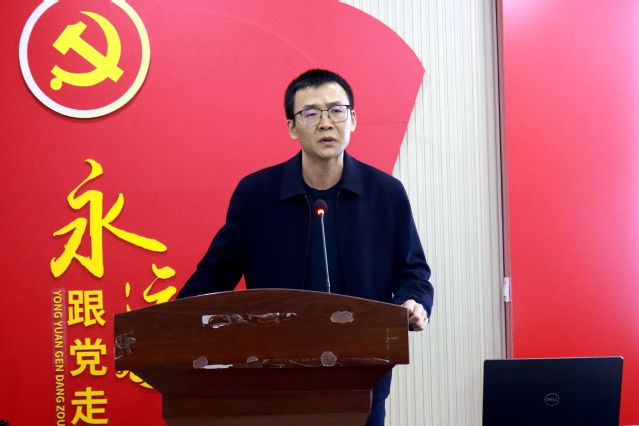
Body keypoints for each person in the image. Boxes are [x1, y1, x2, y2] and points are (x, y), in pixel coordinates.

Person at [178, 69, 434, 425]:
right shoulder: (257, 195)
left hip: (361, 379)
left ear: (353, 119)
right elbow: (214, 275)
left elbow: (413, 273)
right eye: (311, 113)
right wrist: (170, 322)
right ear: (292, 128)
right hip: (275, 381)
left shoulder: (385, 193)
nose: (326, 123)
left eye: (336, 111)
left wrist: (413, 302)